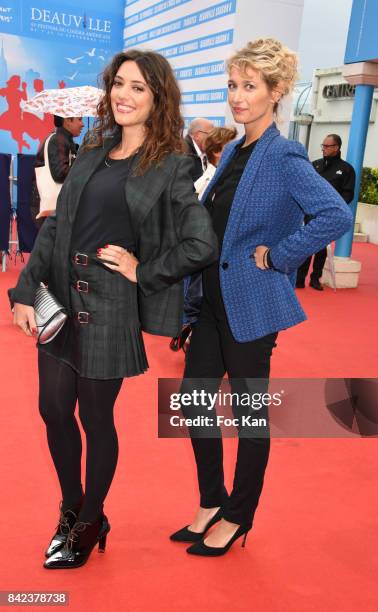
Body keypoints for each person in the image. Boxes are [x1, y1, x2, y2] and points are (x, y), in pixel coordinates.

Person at [10, 49, 217, 569]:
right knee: (53, 410)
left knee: (95, 418)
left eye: (138, 88)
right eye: (118, 84)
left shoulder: (171, 165)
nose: (123, 95)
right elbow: (56, 225)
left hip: (108, 306)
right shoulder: (93, 149)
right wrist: (23, 290)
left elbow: (201, 243)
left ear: (157, 98)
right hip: (57, 292)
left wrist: (140, 270)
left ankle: (91, 516)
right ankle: (73, 506)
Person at [169, 38, 353, 556]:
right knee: (195, 402)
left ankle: (239, 515)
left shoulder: (284, 153)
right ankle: (211, 501)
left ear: (276, 93)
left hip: (250, 305)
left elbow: (335, 214)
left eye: (250, 86)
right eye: (233, 85)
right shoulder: (231, 150)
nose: (238, 96)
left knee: (250, 415)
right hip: (209, 301)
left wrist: (280, 255)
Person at [170, 125, 238, 352]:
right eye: (232, 146)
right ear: (218, 151)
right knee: (199, 305)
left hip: (210, 258)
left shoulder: (217, 180)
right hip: (206, 258)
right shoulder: (207, 183)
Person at [296, 133, 356, 290]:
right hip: (310, 213)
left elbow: (348, 193)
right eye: (323, 146)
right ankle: (299, 278)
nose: (323, 149)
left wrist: (334, 209)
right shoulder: (314, 165)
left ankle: (315, 278)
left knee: (321, 248)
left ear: (336, 148)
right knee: (305, 245)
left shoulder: (346, 169)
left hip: (329, 216)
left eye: (327, 146)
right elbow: (305, 186)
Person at [31, 115, 84, 229]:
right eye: (79, 119)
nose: (82, 124)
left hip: (56, 206)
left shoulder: (64, 140)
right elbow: (60, 174)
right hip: (51, 207)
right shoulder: (57, 140)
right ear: (67, 121)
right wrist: (82, 166)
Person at [194, 126, 238, 198]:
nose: (237, 150)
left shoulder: (227, 178)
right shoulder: (205, 184)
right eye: (232, 147)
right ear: (216, 151)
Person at [184, 117, 214, 182]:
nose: (213, 139)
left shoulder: (206, 152)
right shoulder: (184, 154)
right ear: (197, 135)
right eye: (211, 134)